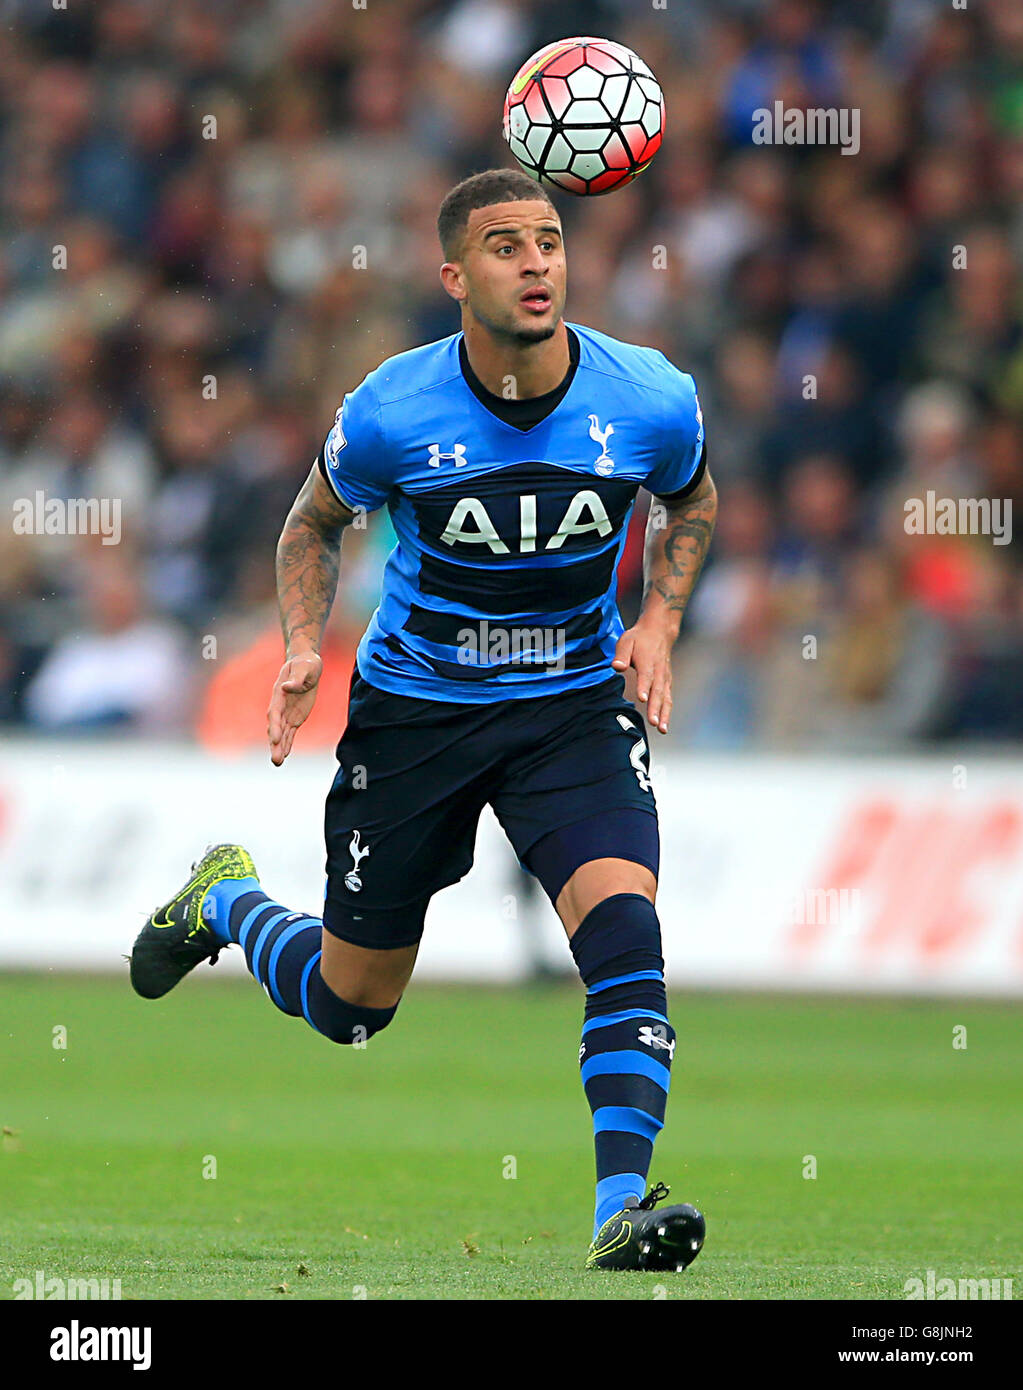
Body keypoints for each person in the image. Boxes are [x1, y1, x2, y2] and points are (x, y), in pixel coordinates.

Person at [130, 168, 717, 1272]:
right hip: (417, 715)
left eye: (548, 241)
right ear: (454, 275)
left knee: (626, 933)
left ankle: (622, 1205)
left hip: (572, 706)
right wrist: (305, 644)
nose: (537, 262)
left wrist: (662, 618)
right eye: (506, 246)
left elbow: (691, 495)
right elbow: (312, 526)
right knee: (353, 1005)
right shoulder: (394, 409)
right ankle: (229, 898)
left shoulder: (648, 396)